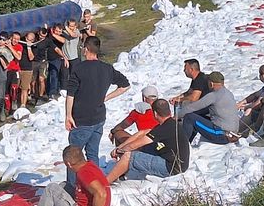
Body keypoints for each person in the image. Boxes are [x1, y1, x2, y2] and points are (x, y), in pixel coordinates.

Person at [65, 36, 131, 185]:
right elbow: (125, 86)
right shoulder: (107, 68)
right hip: (99, 118)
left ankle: (71, 189)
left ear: (86, 49)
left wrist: (68, 115)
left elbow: (70, 94)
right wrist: (105, 98)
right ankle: (93, 185)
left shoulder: (78, 68)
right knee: (92, 154)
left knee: (73, 156)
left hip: (81, 120)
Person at [9, 145, 110, 206]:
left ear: (68, 164)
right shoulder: (90, 166)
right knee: (64, 186)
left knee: (51, 188)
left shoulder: (83, 173)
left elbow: (101, 194)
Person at [105, 98, 189, 182]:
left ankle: (105, 183)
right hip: (170, 158)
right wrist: (121, 146)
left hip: (171, 167)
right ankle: (120, 172)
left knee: (128, 156)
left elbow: (134, 145)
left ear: (155, 114)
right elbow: (142, 133)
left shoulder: (165, 128)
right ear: (169, 112)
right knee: (135, 146)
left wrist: (119, 150)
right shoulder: (169, 123)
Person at [179, 71, 239, 145]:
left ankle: (182, 147)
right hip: (232, 134)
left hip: (221, 135)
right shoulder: (228, 93)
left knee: (189, 117)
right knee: (196, 117)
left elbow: (192, 108)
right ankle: (188, 144)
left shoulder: (214, 95)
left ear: (211, 84)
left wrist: (176, 117)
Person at [237, 64, 264, 136]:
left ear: (263, 76)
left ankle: (238, 130)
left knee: (249, 111)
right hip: (263, 111)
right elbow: (255, 95)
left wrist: (244, 107)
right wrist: (241, 103)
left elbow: (257, 104)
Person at [46, 24, 66, 100]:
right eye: (56, 30)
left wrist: (54, 34)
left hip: (56, 58)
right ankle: (48, 92)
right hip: (48, 58)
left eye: (59, 31)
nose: (57, 32)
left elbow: (63, 41)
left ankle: (53, 93)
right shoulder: (49, 35)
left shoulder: (62, 37)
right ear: (53, 29)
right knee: (49, 76)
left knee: (55, 74)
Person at [18, 31, 37, 108]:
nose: (28, 41)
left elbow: (31, 57)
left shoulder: (34, 47)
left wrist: (29, 47)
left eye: (30, 40)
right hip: (18, 68)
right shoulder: (21, 44)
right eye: (27, 39)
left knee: (24, 88)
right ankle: (16, 103)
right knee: (16, 88)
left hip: (27, 69)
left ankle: (23, 105)